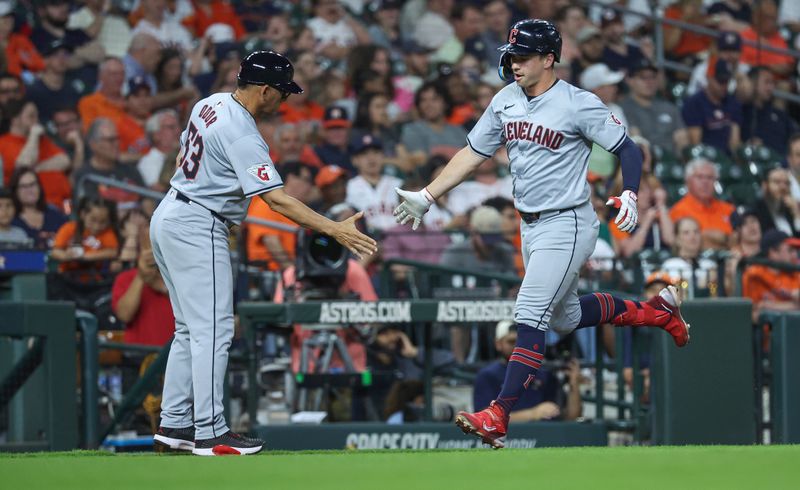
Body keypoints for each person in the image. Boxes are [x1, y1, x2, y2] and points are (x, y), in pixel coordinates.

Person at [393, 19, 690, 448]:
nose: (514, 63)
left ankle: (498, 413)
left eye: (525, 56)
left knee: (529, 313)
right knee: (566, 318)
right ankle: (656, 313)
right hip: (528, 226)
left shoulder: (577, 102)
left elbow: (627, 148)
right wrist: (428, 193)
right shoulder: (505, 99)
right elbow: (473, 153)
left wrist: (629, 192)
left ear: (550, 59)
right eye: (512, 55)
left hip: (567, 221)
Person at [149, 51, 376, 456]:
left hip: (171, 211)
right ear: (266, 90)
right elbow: (278, 201)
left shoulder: (210, 102)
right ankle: (210, 430)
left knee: (189, 328)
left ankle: (174, 423)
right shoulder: (242, 132)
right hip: (199, 222)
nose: (285, 100)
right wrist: (334, 228)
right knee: (214, 331)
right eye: (283, 92)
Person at [473, 321, 581, 422]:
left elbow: (570, 417)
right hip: (508, 439)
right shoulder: (488, 375)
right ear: (498, 344)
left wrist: (574, 384)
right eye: (511, 342)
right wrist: (532, 414)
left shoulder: (544, 374)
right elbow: (484, 419)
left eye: (522, 341)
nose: (517, 346)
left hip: (544, 436)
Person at [112, 229, 174, 346]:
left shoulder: (180, 277)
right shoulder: (126, 278)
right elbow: (125, 315)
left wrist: (164, 288)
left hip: (176, 355)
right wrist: (141, 275)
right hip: (137, 356)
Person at [669, 158, 735, 250]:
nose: (705, 182)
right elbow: (684, 244)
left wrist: (708, 237)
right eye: (699, 177)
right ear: (688, 181)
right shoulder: (679, 210)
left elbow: (738, 239)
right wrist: (724, 239)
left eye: (710, 178)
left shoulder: (728, 209)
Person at [742, 229, 800, 323]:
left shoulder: (796, 273)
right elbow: (752, 315)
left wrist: (768, 306)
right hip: (766, 335)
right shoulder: (754, 274)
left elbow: (762, 307)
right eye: (790, 250)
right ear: (773, 252)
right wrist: (794, 305)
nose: (795, 255)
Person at [9, 168, 67, 249]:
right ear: (15, 191)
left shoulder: (55, 215)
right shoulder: (10, 220)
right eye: (23, 186)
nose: (29, 190)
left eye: (32, 184)